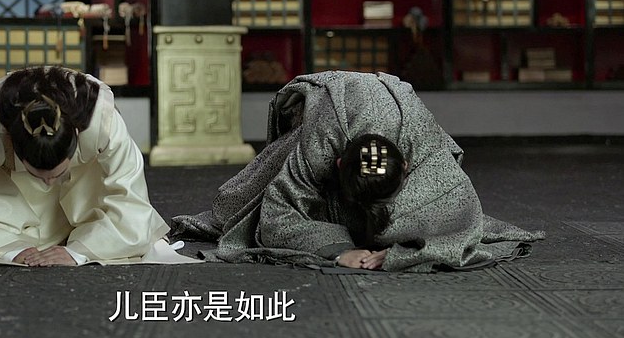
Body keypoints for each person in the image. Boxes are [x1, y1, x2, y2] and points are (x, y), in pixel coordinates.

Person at [171, 71, 545, 272]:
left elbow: (461, 213)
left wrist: (401, 253)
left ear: (408, 168)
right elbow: (278, 213)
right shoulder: (320, 144)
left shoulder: (424, 145)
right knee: (233, 206)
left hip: (396, 118)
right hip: (330, 105)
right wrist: (338, 251)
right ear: (337, 166)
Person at [0, 66, 171, 267]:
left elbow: (131, 200)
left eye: (55, 174)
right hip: (13, 190)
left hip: (82, 186)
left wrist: (79, 252)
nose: (48, 183)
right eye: (39, 175)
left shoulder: (101, 120)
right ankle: (14, 233)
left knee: (131, 225)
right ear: (14, 145)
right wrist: (8, 250)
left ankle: (89, 234)